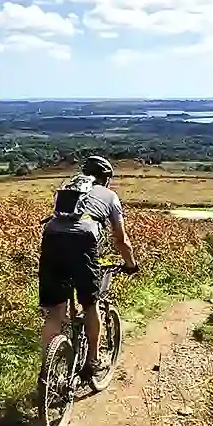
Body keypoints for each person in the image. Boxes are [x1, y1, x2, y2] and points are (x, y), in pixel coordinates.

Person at [38, 155, 138, 380]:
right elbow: (120, 240)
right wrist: (131, 264)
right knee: (90, 304)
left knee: (55, 313)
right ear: (106, 178)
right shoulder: (110, 196)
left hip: (52, 238)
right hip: (83, 242)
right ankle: (92, 361)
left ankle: (47, 372)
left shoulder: (69, 188)